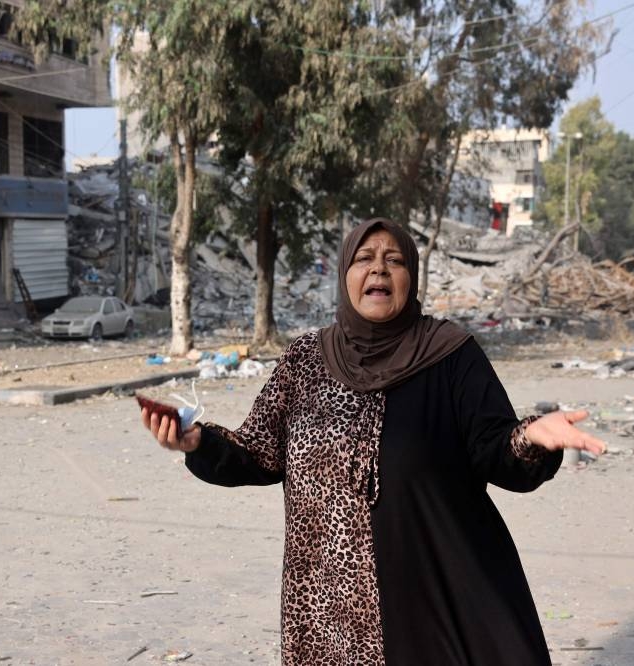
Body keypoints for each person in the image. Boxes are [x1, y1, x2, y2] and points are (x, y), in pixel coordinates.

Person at [141, 218, 606, 665]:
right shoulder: (305, 360)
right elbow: (257, 453)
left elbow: (495, 451)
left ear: (411, 278)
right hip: (326, 610)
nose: (378, 268)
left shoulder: (450, 354)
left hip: (427, 591)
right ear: (346, 275)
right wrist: (198, 442)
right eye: (364, 258)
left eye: (394, 260)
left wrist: (532, 438)